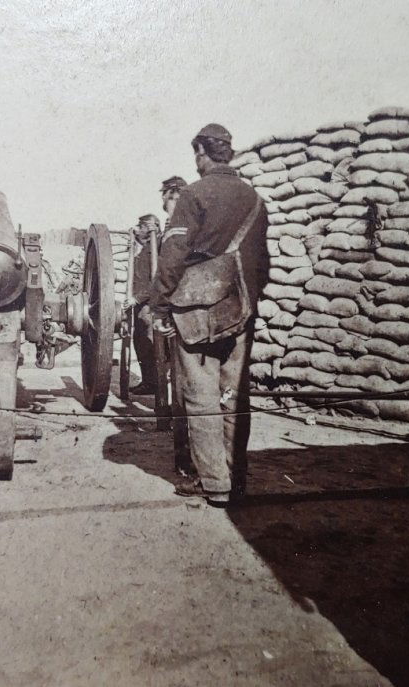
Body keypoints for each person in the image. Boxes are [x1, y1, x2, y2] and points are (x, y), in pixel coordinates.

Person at [149, 124, 269, 505]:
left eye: (196, 154)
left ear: (202, 152)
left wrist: (160, 304)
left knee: (201, 395)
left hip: (197, 313)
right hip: (241, 308)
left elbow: (173, 256)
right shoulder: (254, 199)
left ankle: (214, 483)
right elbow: (263, 263)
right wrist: (249, 301)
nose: (195, 161)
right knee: (234, 395)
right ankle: (236, 480)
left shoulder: (193, 194)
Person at [127, 213, 161, 395]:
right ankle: (149, 381)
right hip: (140, 305)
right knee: (140, 343)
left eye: (140, 226)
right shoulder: (143, 248)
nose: (136, 229)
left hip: (148, 305)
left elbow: (155, 281)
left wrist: (137, 298)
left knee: (149, 344)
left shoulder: (156, 249)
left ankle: (154, 383)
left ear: (149, 228)